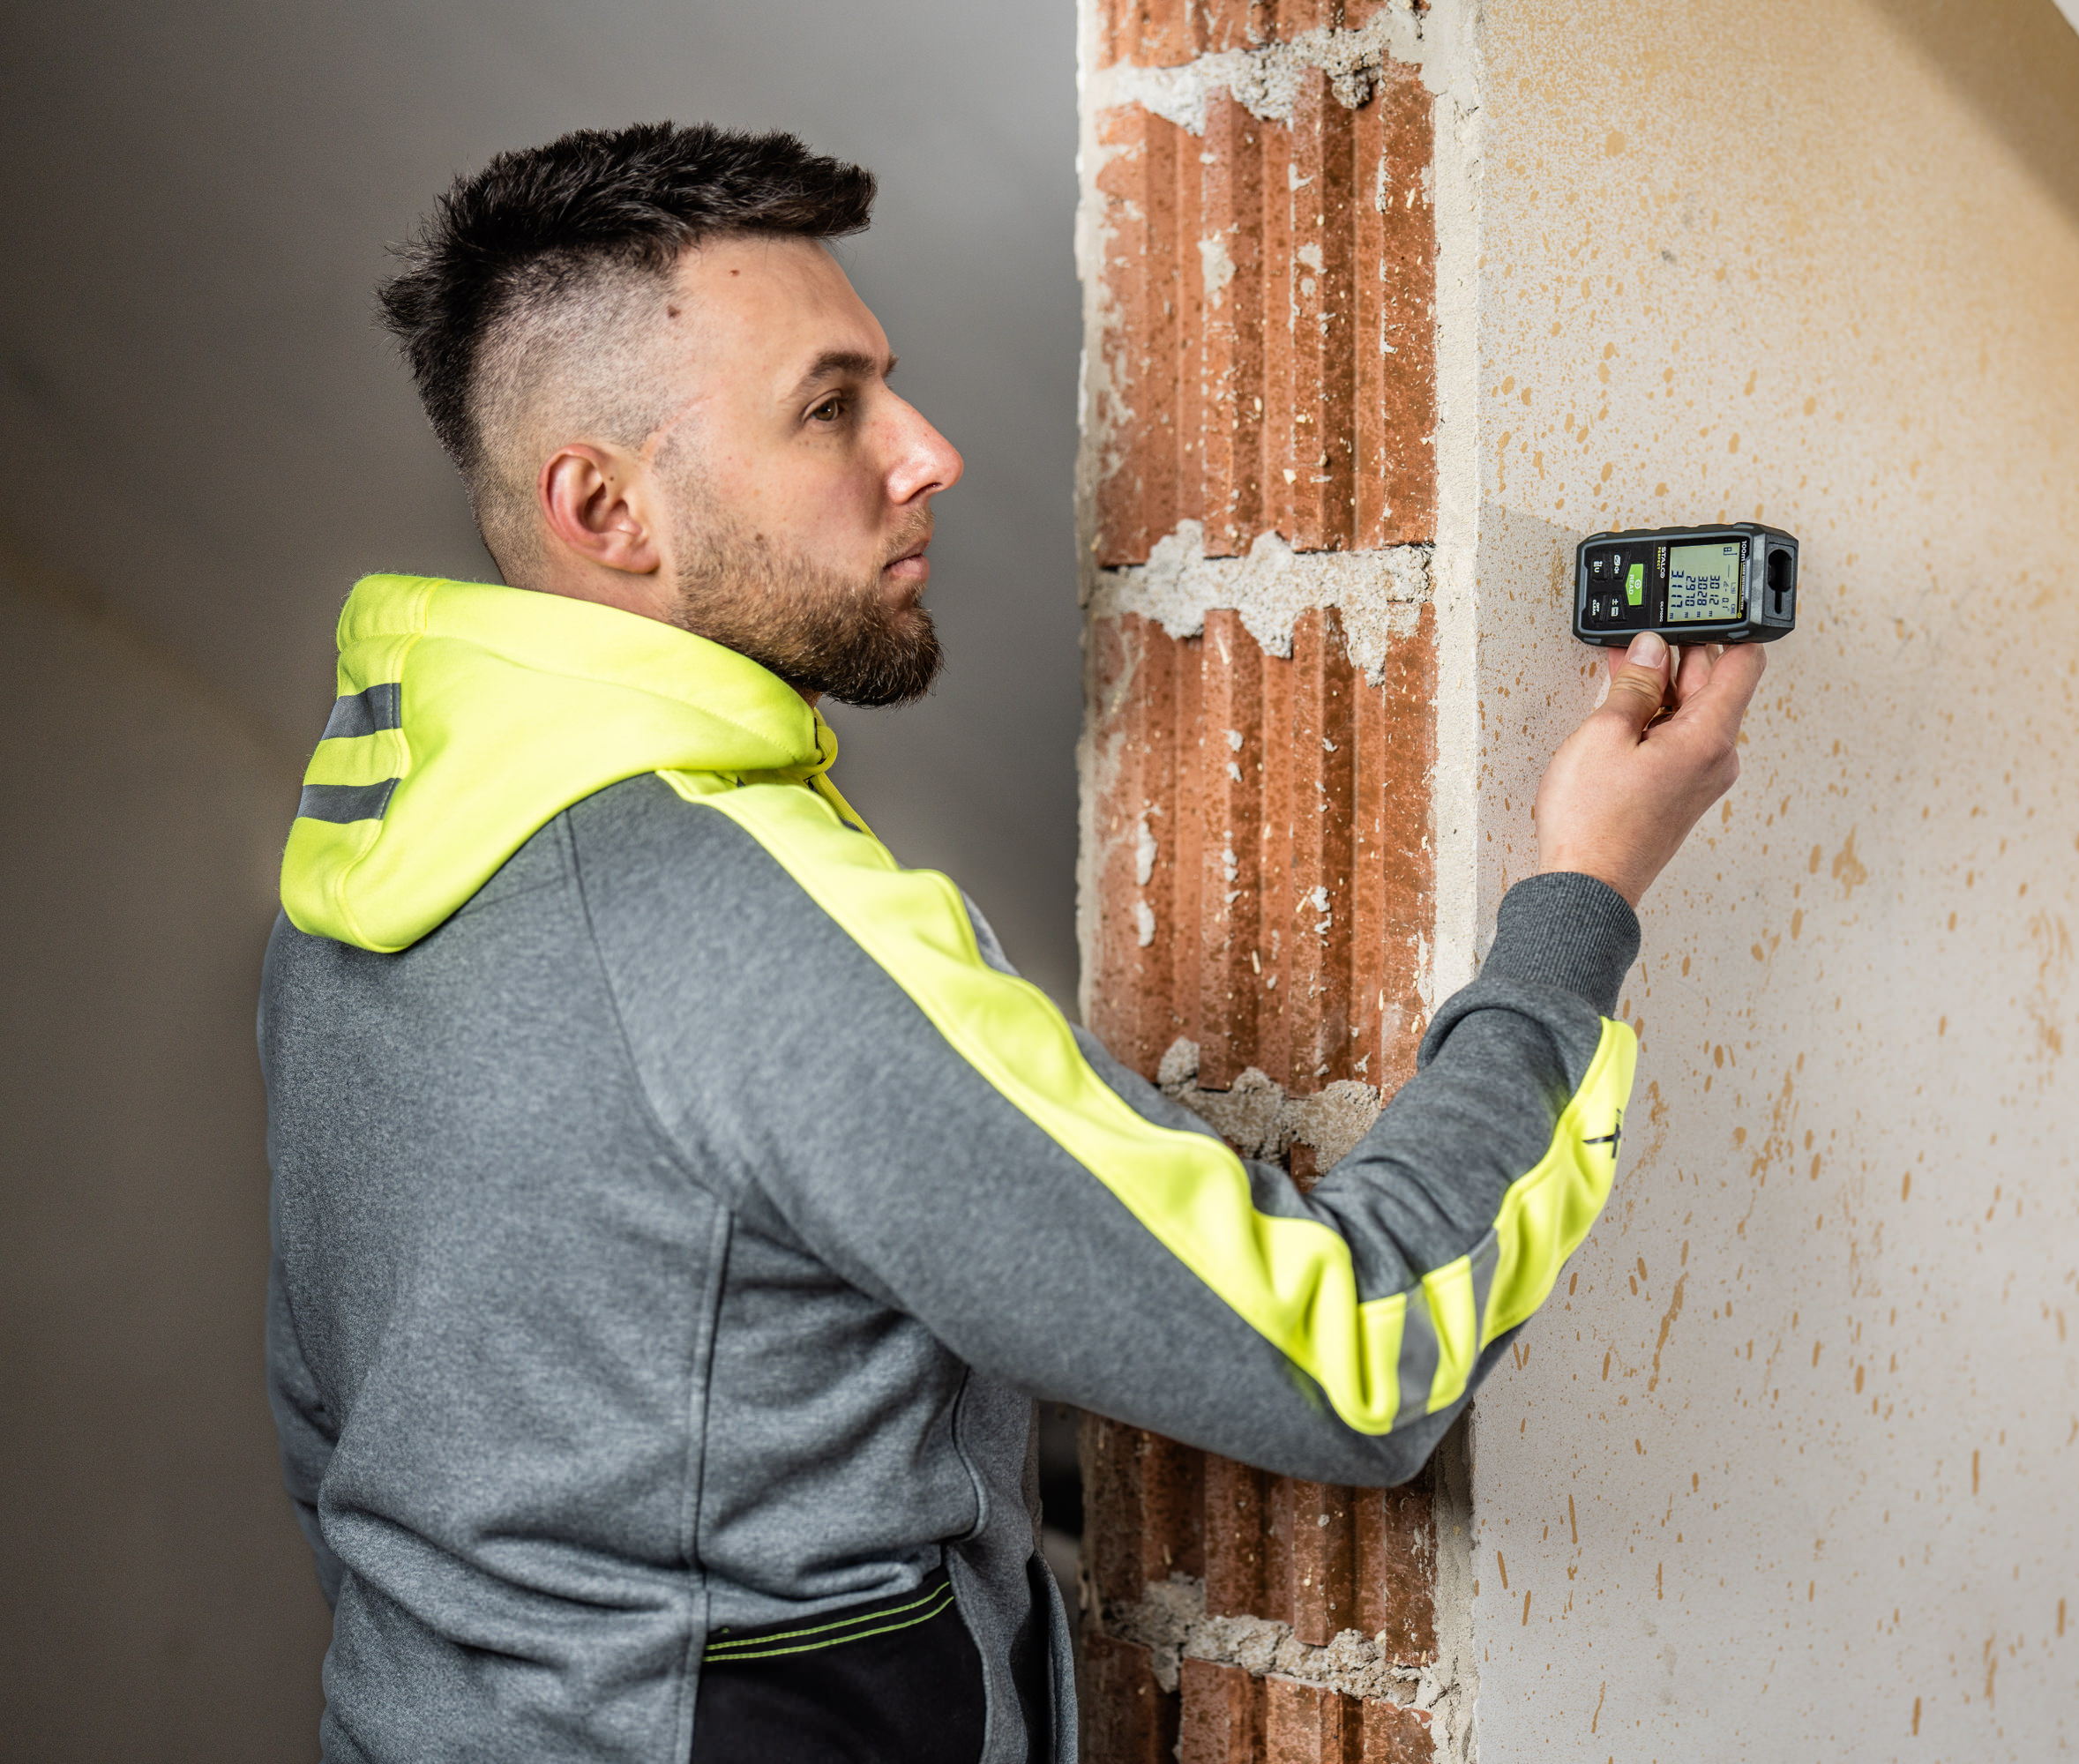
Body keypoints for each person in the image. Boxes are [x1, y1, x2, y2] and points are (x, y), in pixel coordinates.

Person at [259, 123, 1765, 1764]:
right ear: (607, 507)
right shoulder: (752, 929)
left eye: (887, 386)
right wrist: (1583, 896)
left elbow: (345, 1451)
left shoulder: (373, 866)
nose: (928, 453)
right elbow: (1358, 1349)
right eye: (830, 407)